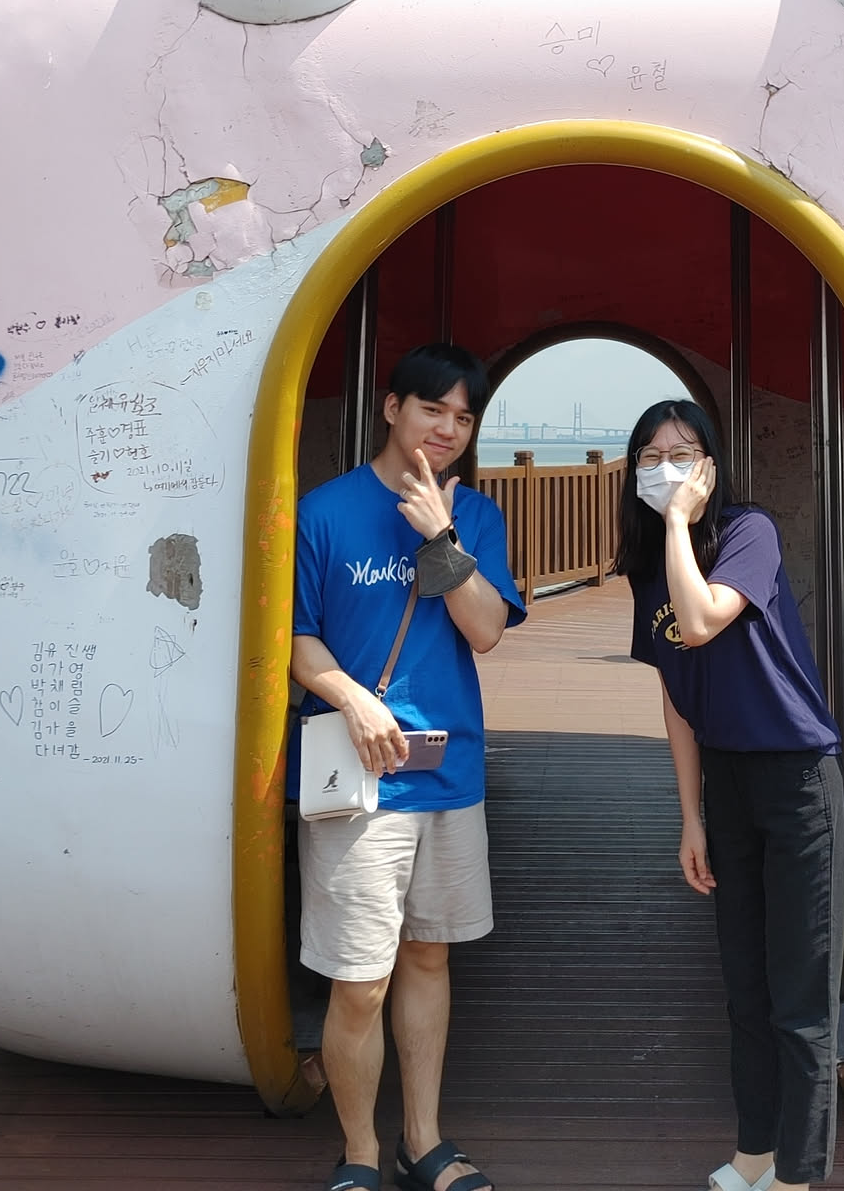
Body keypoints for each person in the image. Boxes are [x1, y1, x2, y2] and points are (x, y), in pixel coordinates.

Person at [292, 343, 525, 1191]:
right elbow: (296, 637)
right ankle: (359, 1151)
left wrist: (442, 534)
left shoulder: (477, 516)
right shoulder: (325, 512)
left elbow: (485, 630)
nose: (448, 430)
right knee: (359, 979)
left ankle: (420, 1142)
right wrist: (353, 700)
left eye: (464, 418)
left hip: (448, 776)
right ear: (392, 408)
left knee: (430, 958)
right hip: (359, 779)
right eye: (433, 409)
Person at [617, 399, 844, 1191]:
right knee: (745, 987)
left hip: (796, 779)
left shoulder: (750, 532)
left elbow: (701, 620)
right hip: (728, 782)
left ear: (711, 467)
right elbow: (677, 699)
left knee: (800, 995)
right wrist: (691, 816)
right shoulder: (648, 567)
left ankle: (798, 1174)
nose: (666, 470)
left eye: (683, 455)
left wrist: (680, 524)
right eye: (650, 458)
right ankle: (755, 1151)